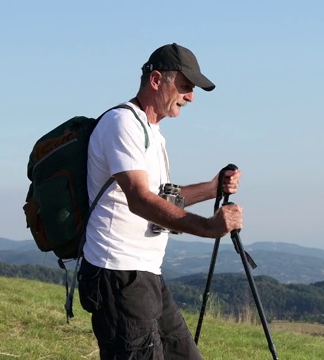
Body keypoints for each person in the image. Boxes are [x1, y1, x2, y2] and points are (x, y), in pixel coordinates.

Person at [77, 43, 242, 360]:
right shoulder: (121, 123)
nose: (191, 97)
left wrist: (213, 187)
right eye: (185, 86)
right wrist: (207, 228)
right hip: (119, 276)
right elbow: (140, 200)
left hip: (146, 273)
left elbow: (160, 197)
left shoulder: (151, 131)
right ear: (156, 80)